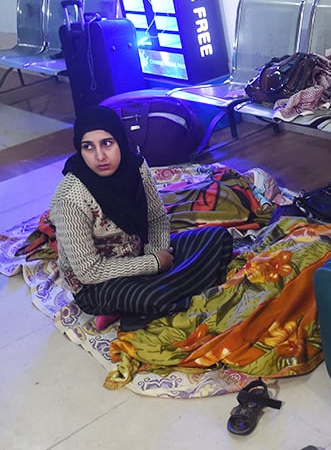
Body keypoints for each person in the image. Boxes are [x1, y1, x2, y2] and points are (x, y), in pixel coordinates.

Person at [49, 105, 233, 331]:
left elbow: (156, 219)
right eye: (88, 147)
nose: (99, 156)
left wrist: (157, 254)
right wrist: (153, 264)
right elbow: (89, 271)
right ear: (79, 149)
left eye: (107, 143)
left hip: (140, 253)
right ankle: (155, 298)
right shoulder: (71, 198)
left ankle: (155, 297)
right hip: (99, 284)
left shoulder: (136, 167)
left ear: (119, 140)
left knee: (218, 237)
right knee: (151, 298)